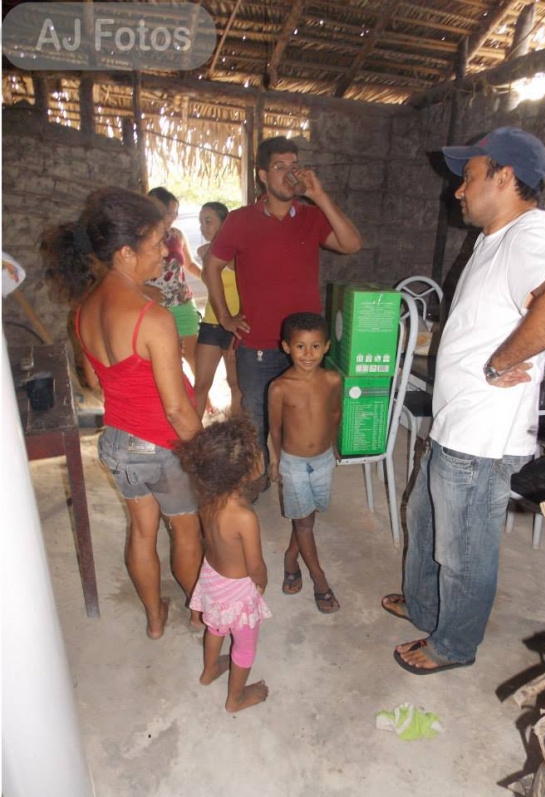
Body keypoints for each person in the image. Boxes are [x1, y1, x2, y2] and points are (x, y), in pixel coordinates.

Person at [382, 127, 545, 675]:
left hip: (482, 437)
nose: (458, 189)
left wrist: (501, 361)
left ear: (505, 177)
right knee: (425, 524)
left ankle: (454, 643)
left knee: (464, 551)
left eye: (469, 176)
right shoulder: (492, 239)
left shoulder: (530, 233)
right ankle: (425, 606)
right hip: (456, 425)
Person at [41, 187, 203, 640]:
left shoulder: (83, 311)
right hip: (162, 445)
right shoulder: (153, 318)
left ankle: (154, 619)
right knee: (187, 533)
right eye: (156, 243)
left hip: (118, 444)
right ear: (126, 252)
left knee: (142, 531)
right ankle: (198, 615)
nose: (164, 252)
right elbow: (177, 409)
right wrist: (206, 453)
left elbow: (95, 384)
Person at [203, 136, 362, 500]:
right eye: (279, 167)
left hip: (304, 347)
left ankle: (296, 478)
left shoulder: (310, 217)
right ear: (262, 175)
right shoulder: (241, 220)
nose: (289, 174)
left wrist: (318, 195)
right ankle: (256, 477)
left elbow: (352, 244)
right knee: (255, 417)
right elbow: (212, 266)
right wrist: (225, 317)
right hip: (257, 344)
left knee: (302, 416)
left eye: (294, 166)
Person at [176, 417, 271, 712]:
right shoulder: (244, 516)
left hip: (211, 576)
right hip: (238, 590)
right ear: (247, 471)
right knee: (245, 647)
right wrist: (262, 582)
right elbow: (255, 565)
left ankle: (209, 671)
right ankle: (235, 699)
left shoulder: (207, 500)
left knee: (215, 627)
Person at [268, 312, 342, 613]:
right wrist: (275, 461)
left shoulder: (332, 380)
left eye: (315, 346)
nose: (308, 354)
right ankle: (319, 580)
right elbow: (274, 429)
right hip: (294, 463)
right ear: (286, 347)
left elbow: (335, 413)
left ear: (326, 347)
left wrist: (333, 446)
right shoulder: (279, 387)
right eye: (300, 346)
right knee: (304, 523)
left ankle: (291, 556)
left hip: (323, 460)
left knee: (308, 516)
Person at [145, 187, 203, 378]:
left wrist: (212, 279)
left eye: (175, 212)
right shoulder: (140, 237)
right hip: (153, 306)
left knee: (193, 356)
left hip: (182, 303)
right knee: (166, 359)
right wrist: (144, 288)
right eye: (169, 212)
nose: (174, 217)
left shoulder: (177, 235)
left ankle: (202, 394)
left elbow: (189, 264)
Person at [195, 202, 242, 419]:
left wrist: (236, 334)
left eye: (208, 221)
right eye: (201, 222)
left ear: (224, 224)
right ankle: (193, 434)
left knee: (235, 384)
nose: (203, 227)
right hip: (210, 324)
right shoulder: (203, 251)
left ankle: (238, 431)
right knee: (201, 385)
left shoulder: (235, 255)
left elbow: (248, 293)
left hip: (233, 325)